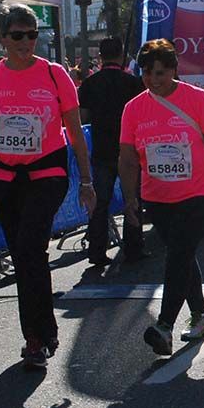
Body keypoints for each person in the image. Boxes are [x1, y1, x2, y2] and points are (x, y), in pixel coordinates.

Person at [0, 3, 96, 369]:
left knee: (30, 246)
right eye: (18, 35)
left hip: (47, 172)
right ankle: (43, 331)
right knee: (24, 255)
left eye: (32, 34)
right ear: (3, 38)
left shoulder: (55, 74)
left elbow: (74, 132)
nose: (27, 42)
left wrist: (87, 181)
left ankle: (35, 339)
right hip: (3, 176)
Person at [118, 39, 204, 356]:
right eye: (147, 73)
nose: (153, 79)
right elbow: (128, 157)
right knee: (182, 254)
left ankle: (164, 325)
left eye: (160, 73)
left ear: (174, 70)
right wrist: (130, 198)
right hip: (158, 197)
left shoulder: (196, 99)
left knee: (178, 254)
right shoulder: (133, 109)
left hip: (198, 193)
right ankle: (201, 316)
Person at [78, 36, 148, 266]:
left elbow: (83, 119)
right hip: (129, 150)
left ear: (100, 56)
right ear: (121, 56)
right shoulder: (133, 83)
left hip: (101, 150)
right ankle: (134, 249)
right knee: (133, 199)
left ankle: (97, 251)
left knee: (100, 203)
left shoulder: (89, 84)